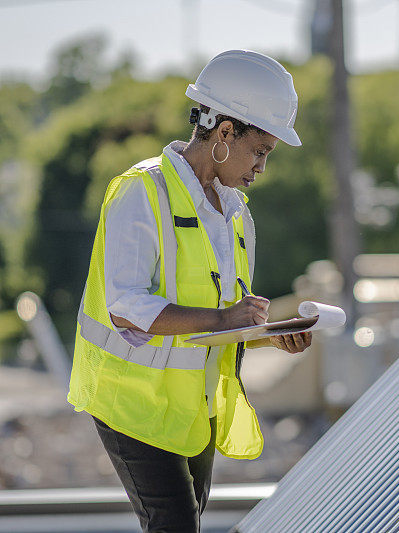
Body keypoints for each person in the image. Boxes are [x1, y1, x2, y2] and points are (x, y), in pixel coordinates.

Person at [67, 50, 312, 532]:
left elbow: (222, 324)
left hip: (192, 410)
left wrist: (268, 335)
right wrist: (226, 319)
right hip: (131, 405)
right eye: (259, 151)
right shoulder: (141, 192)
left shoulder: (237, 214)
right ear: (224, 133)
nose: (262, 166)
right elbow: (127, 309)